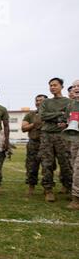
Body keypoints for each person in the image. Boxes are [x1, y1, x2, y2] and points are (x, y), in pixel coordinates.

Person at [39, 78, 73, 202]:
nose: (52, 87)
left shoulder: (69, 102)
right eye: (50, 85)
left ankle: (70, 188)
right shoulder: (46, 102)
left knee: (66, 163)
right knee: (47, 163)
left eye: (55, 85)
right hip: (47, 135)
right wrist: (59, 113)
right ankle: (48, 190)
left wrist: (63, 119)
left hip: (62, 136)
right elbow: (42, 115)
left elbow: (70, 117)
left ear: (61, 87)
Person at [21, 95, 46, 196]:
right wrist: (34, 124)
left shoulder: (49, 114)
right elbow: (23, 128)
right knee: (31, 167)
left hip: (46, 143)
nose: (38, 102)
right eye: (37, 100)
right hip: (33, 143)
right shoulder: (30, 115)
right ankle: (31, 187)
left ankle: (47, 188)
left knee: (47, 166)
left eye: (41, 100)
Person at [66, 80, 79, 210]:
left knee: (78, 168)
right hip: (75, 140)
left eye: (78, 86)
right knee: (74, 165)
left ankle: (76, 199)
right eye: (74, 86)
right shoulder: (72, 105)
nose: (75, 88)